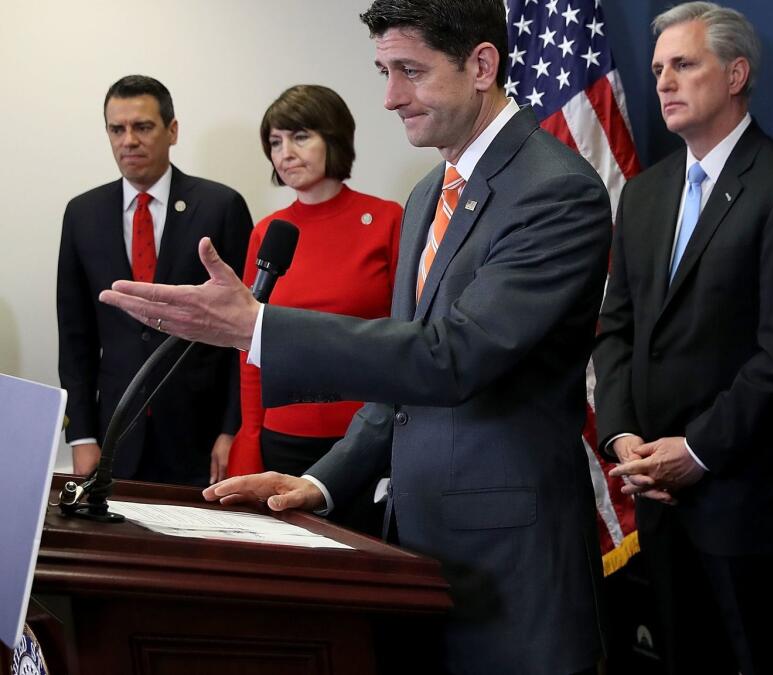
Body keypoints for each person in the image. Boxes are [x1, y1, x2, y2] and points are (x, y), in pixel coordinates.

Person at [98, 1, 612, 673]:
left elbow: (448, 359)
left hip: (511, 574)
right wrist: (319, 483)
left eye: (409, 71)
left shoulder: (556, 190)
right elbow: (396, 386)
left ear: (481, 65)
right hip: (418, 561)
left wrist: (259, 326)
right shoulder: (433, 191)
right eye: (383, 71)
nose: (392, 97)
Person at [592, 3, 773, 673]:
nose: (664, 82)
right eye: (656, 70)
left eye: (683, 64)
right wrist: (623, 438)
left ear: (736, 73)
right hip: (658, 498)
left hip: (750, 506)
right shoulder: (644, 196)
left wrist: (698, 450)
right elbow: (616, 326)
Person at [57, 74, 252, 487]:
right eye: (117, 129)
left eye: (142, 127)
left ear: (172, 130)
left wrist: (233, 428)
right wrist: (82, 434)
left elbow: (245, 333)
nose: (129, 140)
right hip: (114, 434)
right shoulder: (82, 214)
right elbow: (75, 338)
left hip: (199, 435)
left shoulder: (221, 206)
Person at [226, 85, 402, 532]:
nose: (286, 153)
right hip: (283, 438)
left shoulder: (387, 221)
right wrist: (249, 438)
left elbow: (409, 340)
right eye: (275, 142)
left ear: (334, 138)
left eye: (300, 136)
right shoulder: (268, 233)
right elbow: (250, 347)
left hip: (365, 441)